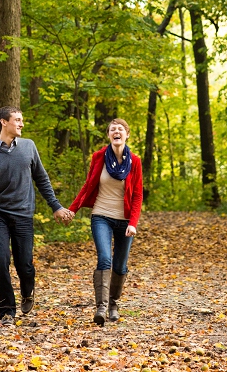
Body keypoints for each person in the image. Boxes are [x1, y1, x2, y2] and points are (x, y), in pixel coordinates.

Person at [0, 106, 73, 326]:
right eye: (17, 120)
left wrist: (56, 206)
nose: (21, 124)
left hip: (24, 215)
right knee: (1, 261)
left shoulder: (28, 147)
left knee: (24, 264)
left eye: (22, 120)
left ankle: (27, 291)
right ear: (4, 122)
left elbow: (42, 179)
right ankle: (7, 312)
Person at [68, 118, 143, 325]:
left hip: (125, 220)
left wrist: (133, 222)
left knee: (120, 266)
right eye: (112, 129)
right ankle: (101, 306)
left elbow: (137, 195)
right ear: (109, 135)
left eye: (120, 129)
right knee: (104, 259)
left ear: (127, 134)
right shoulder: (98, 157)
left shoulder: (134, 161)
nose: (116, 132)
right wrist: (73, 209)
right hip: (101, 215)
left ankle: (113, 303)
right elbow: (88, 185)